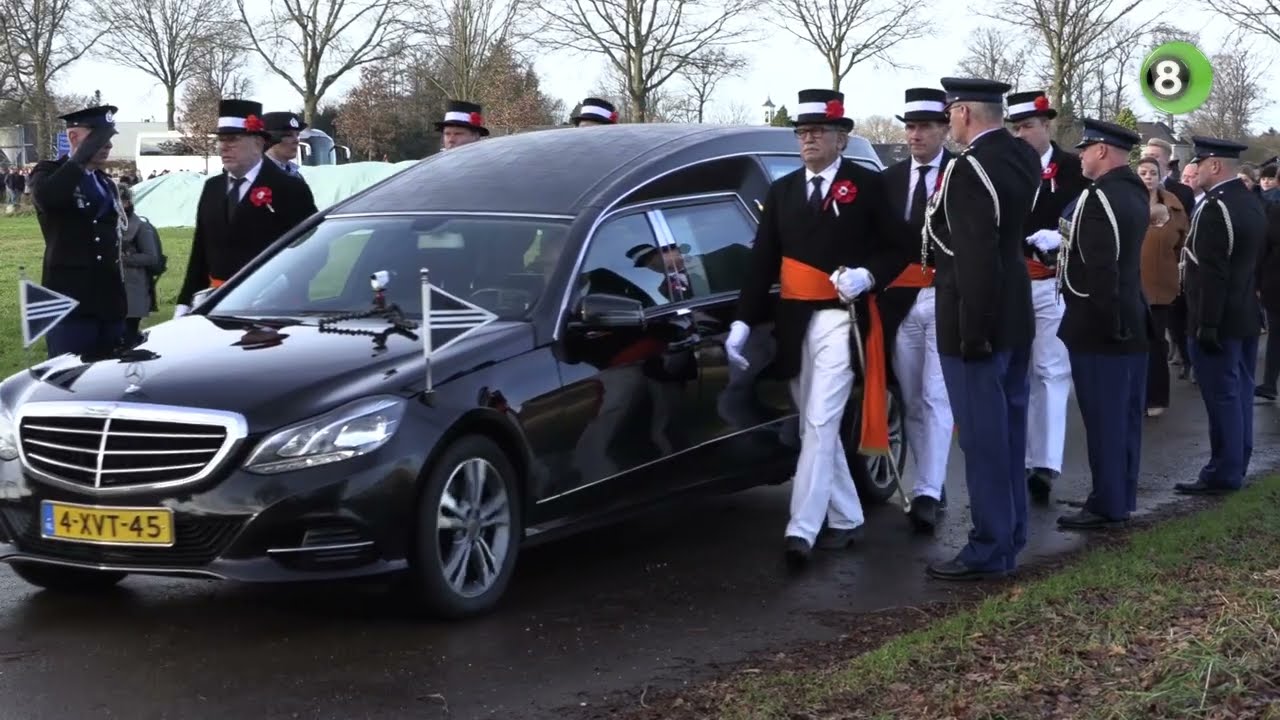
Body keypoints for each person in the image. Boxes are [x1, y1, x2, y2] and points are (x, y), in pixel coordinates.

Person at [725, 88, 908, 567]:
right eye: (803, 132)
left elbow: (898, 248)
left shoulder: (868, 185)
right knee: (812, 427)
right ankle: (846, 516)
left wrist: (868, 274)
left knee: (824, 422)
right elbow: (763, 260)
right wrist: (742, 321)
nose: (808, 140)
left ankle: (801, 528)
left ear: (840, 139)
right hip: (794, 319)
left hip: (841, 320)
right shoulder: (783, 191)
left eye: (818, 132)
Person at [922, 77, 1039, 581]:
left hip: (977, 315)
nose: (948, 120)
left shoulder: (969, 167)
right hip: (1015, 306)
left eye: (951, 112)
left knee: (983, 438)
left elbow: (973, 254)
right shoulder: (1022, 156)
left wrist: (972, 331)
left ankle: (990, 544)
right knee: (1010, 431)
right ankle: (1010, 533)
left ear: (965, 112)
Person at [1054, 119, 1152, 529]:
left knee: (1104, 418)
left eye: (1085, 148)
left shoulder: (1099, 198)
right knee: (1124, 419)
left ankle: (1107, 503)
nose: (1079, 155)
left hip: (1102, 325)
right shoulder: (1133, 192)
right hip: (1131, 316)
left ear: (1102, 151)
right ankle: (1119, 494)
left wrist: (1105, 322)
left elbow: (1099, 270)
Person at [876, 87, 955, 532]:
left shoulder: (961, 175)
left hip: (944, 295)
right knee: (910, 398)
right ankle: (931, 476)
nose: (916, 134)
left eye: (925, 126)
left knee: (936, 394)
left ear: (945, 128)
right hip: (900, 299)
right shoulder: (887, 181)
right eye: (910, 126)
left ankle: (926, 490)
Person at [1003, 89, 1086, 504]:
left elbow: (1090, 220)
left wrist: (1064, 235)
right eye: (1016, 127)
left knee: (1052, 371)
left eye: (1029, 126)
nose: (1022, 134)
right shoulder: (1001, 168)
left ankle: (1045, 463)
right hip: (1011, 284)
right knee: (1016, 370)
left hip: (1052, 282)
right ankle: (1020, 455)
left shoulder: (1073, 170)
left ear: (1047, 125)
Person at [1176, 136, 1266, 496]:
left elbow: (1212, 272)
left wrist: (1206, 324)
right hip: (1244, 312)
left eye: (1199, 162)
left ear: (1215, 166)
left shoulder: (1216, 207)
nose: (1193, 169)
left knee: (1223, 396)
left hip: (1218, 319)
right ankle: (1235, 461)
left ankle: (1223, 471)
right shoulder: (1248, 201)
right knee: (1239, 394)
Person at [174, 99, 318, 316]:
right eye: (221, 140)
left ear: (258, 143)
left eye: (233, 139)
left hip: (274, 309)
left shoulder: (289, 188)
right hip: (217, 305)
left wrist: (283, 284)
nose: (224, 147)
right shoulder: (212, 188)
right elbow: (200, 253)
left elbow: (314, 248)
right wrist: (185, 303)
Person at [27, 105, 128, 357]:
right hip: (69, 301)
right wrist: (79, 159)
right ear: (73, 138)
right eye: (99, 138)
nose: (107, 145)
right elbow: (49, 199)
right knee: (68, 381)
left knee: (109, 381)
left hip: (109, 302)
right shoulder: (47, 172)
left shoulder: (105, 182)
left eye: (109, 139)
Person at [1134, 157, 1188, 416]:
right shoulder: (1127, 201)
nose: (1148, 177)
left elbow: (1182, 243)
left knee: (1156, 342)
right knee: (1133, 342)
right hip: (1130, 284)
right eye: (1143, 172)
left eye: (1153, 172)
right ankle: (1133, 394)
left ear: (1160, 175)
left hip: (1160, 286)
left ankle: (1156, 398)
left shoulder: (1174, 206)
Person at [119, 186, 162, 343]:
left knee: (128, 338)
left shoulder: (140, 227)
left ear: (128, 203)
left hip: (133, 292)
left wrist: (123, 259)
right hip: (113, 292)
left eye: (120, 201)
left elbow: (151, 258)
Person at [262, 111, 307, 178]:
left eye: (297, 135)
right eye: (288, 135)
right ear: (269, 139)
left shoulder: (296, 174)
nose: (296, 140)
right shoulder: (259, 174)